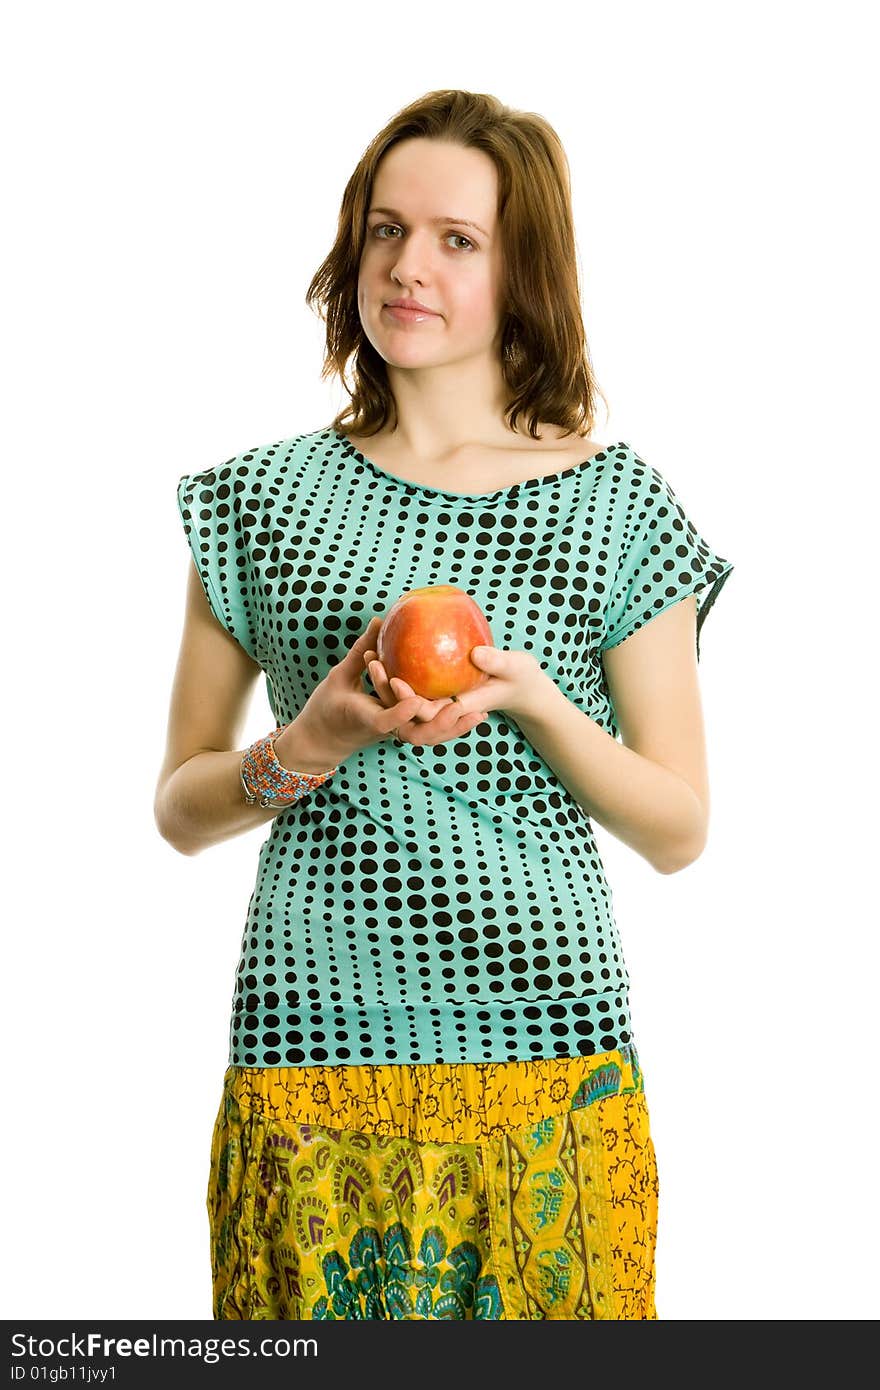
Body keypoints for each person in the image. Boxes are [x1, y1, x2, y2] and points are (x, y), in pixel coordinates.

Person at [155, 88, 734, 1322]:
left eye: (455, 240)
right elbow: (182, 807)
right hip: (312, 1044)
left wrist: (534, 704)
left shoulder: (617, 505)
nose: (406, 266)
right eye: (383, 229)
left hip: (548, 1044)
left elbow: (679, 827)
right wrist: (310, 740)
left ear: (522, 270)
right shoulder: (259, 502)